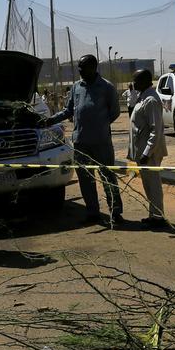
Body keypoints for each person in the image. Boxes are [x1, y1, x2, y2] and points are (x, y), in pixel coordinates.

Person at [46, 54, 122, 224]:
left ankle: (115, 212)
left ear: (94, 68)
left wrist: (100, 125)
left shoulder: (107, 87)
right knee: (86, 178)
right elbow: (68, 110)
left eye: (83, 67)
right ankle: (92, 212)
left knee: (107, 176)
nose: (80, 70)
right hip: (80, 141)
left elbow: (115, 112)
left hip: (101, 142)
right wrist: (51, 120)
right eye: (78, 67)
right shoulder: (76, 87)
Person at [127, 69, 167, 228]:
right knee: (148, 185)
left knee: (153, 185)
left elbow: (155, 130)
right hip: (143, 151)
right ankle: (153, 214)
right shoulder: (142, 97)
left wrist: (146, 152)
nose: (133, 83)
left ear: (144, 81)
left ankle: (158, 217)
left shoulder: (151, 100)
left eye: (135, 80)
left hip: (149, 153)